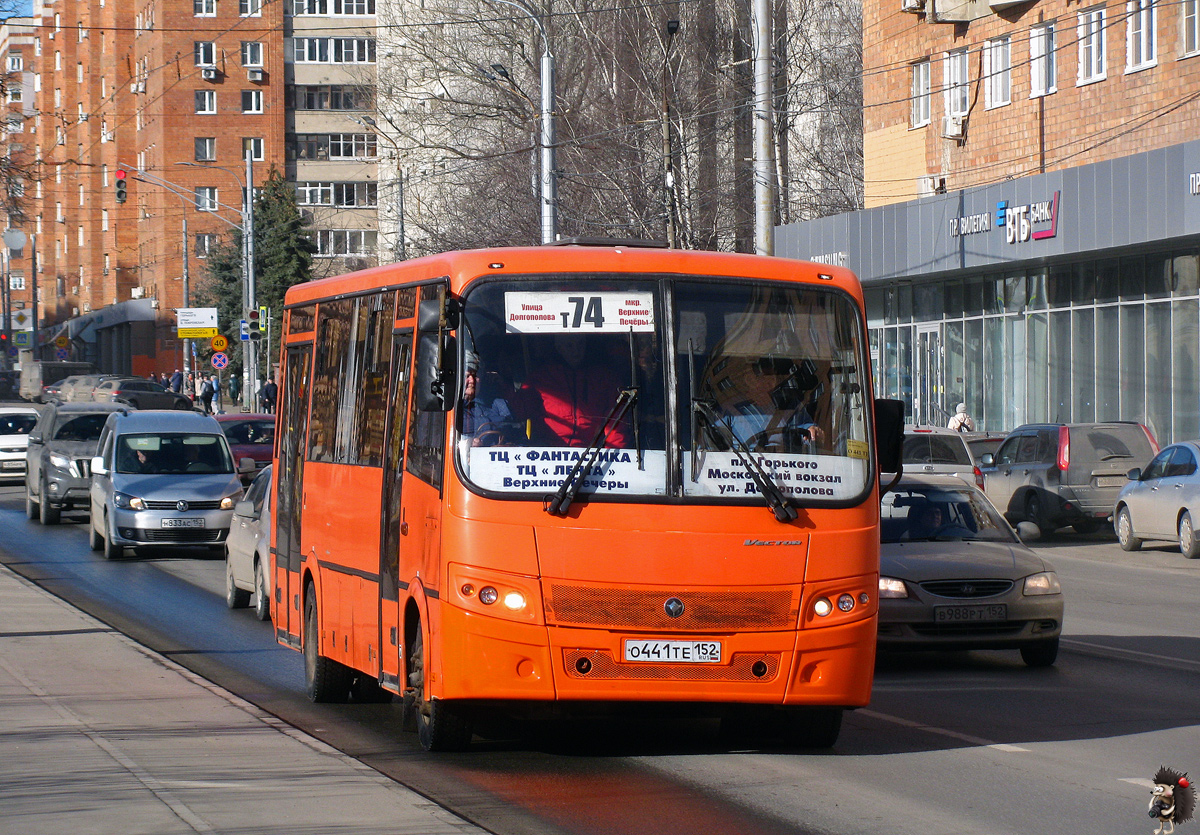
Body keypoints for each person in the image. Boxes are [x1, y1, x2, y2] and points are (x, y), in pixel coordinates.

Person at [513, 335, 631, 448]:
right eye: (569, 345)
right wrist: (503, 387)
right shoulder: (540, 377)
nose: (576, 350)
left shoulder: (605, 377)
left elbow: (616, 422)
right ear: (559, 347)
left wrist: (613, 456)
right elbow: (519, 412)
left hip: (594, 455)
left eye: (580, 344)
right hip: (548, 455)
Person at [461, 352, 514, 446]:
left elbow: (516, 434)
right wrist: (467, 444)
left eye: (476, 376)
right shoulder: (448, 411)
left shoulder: (498, 404)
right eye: (467, 375)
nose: (472, 381)